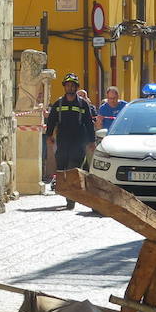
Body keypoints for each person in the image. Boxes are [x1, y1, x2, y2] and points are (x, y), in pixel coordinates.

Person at [44, 73, 97, 210]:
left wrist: (91, 141)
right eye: (68, 85)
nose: (70, 87)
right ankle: (67, 193)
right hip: (63, 141)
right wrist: (49, 135)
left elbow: (88, 123)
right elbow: (51, 120)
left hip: (78, 142)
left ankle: (71, 198)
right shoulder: (59, 103)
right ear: (65, 87)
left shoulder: (83, 104)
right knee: (62, 169)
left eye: (73, 85)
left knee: (73, 169)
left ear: (76, 87)